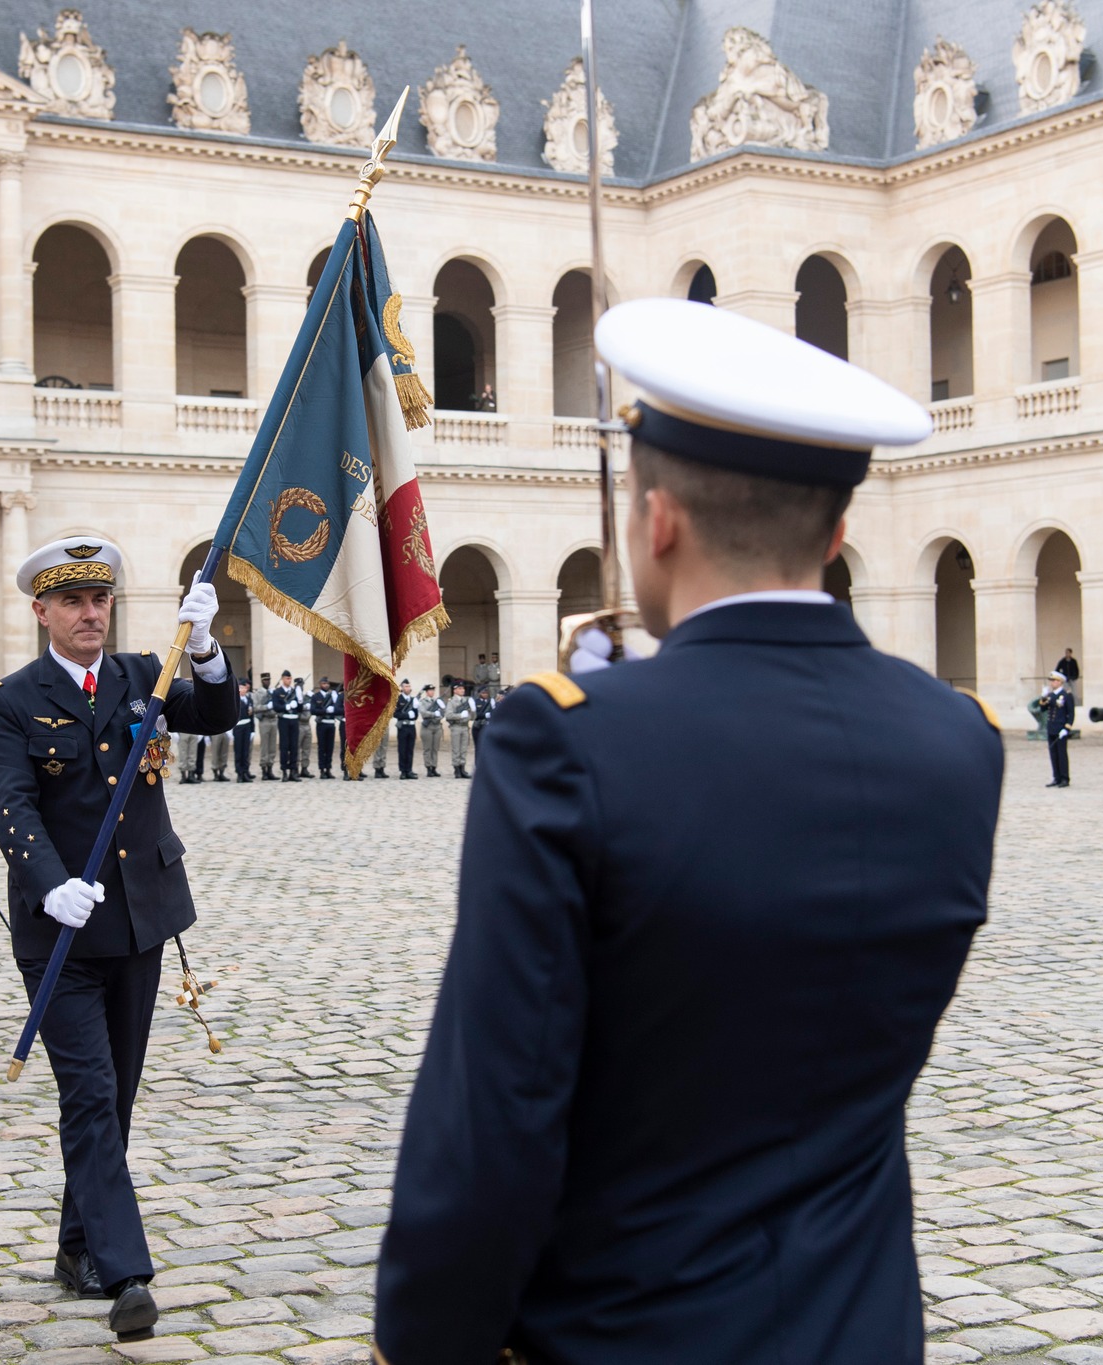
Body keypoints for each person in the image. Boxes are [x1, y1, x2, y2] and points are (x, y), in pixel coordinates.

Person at [374, 297, 1002, 1365]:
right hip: (859, 1326)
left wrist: (423, 1340)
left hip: (624, 1333)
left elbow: (496, 1111)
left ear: (654, 520)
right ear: (837, 530)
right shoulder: (957, 738)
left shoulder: (567, 743)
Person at [0, 538, 236, 1339]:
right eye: (73, 602)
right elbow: (11, 802)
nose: (91, 613)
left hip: (137, 919)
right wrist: (50, 881)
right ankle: (126, 1271)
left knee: (113, 1096)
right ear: (42, 613)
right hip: (61, 931)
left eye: (101, 600)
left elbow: (219, 715)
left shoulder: (139, 679)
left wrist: (202, 647)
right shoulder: (12, 700)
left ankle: (75, 1244)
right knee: (88, 1091)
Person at [1042, 670, 1075, 787]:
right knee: (1053, 754)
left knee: (1061, 754)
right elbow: (1042, 709)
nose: (1052, 683)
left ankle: (1065, 778)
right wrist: (1043, 697)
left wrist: (1067, 728)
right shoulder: (1050, 696)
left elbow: (1071, 713)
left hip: (1061, 728)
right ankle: (1056, 777)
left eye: (1055, 681)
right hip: (1051, 728)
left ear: (1060, 682)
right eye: (1051, 681)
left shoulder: (1066, 695)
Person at [272, 670, 303, 780]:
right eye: (286, 678)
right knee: (284, 746)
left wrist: (300, 700)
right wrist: (286, 707)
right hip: (284, 720)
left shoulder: (295, 691)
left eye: (290, 678)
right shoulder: (277, 692)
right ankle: (284, 771)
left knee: (294, 746)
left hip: (294, 720)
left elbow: (300, 709)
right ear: (282, 679)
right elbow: (276, 707)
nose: (288, 680)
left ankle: (293, 771)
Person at [310, 677, 340, 778]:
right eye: (324, 683)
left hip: (331, 723)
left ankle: (328, 769)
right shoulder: (316, 696)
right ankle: (322, 770)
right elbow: (313, 710)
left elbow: (338, 709)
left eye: (327, 684)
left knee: (330, 748)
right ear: (320, 684)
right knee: (322, 748)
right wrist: (325, 711)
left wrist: (335, 702)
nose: (326, 685)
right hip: (321, 724)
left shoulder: (333, 696)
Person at [443, 682, 474, 778]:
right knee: (456, 749)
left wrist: (473, 710)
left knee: (464, 749)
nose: (462, 690)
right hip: (456, 727)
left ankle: (462, 768)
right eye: (460, 688)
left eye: (463, 688)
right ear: (455, 690)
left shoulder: (467, 700)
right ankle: (456, 769)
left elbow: (472, 716)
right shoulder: (451, 701)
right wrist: (460, 715)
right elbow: (448, 715)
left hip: (465, 727)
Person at [252, 673, 276, 779]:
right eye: (265, 680)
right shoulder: (258, 693)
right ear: (262, 681)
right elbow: (255, 707)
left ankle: (270, 768)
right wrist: (266, 706)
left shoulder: (272, 692)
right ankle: (264, 770)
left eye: (269, 680)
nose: (267, 682)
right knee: (264, 746)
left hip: (273, 720)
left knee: (272, 747)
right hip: (264, 721)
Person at [393, 680, 419, 779]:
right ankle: (403, 771)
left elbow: (415, 716)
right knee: (402, 749)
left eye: (409, 686)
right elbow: (395, 714)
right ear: (402, 688)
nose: (408, 688)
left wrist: (415, 711)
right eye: (406, 686)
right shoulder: (398, 700)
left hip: (411, 727)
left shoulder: (413, 700)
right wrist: (406, 715)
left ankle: (409, 770)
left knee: (410, 749)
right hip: (403, 727)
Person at [418, 682, 444, 776]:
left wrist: (441, 710)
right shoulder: (422, 702)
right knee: (428, 749)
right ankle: (428, 768)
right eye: (430, 690)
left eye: (433, 690)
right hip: (427, 727)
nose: (432, 692)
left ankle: (434, 767)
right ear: (426, 692)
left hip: (436, 726)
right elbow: (424, 713)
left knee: (435, 748)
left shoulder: (436, 701)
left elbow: (442, 714)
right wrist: (434, 714)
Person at [232, 680, 255, 781]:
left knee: (246, 751)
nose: (243, 690)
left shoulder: (249, 699)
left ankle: (245, 771)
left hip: (247, 726)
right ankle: (239, 773)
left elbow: (252, 716)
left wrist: (252, 730)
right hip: (238, 727)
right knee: (238, 751)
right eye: (240, 688)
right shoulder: (234, 700)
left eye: (244, 688)